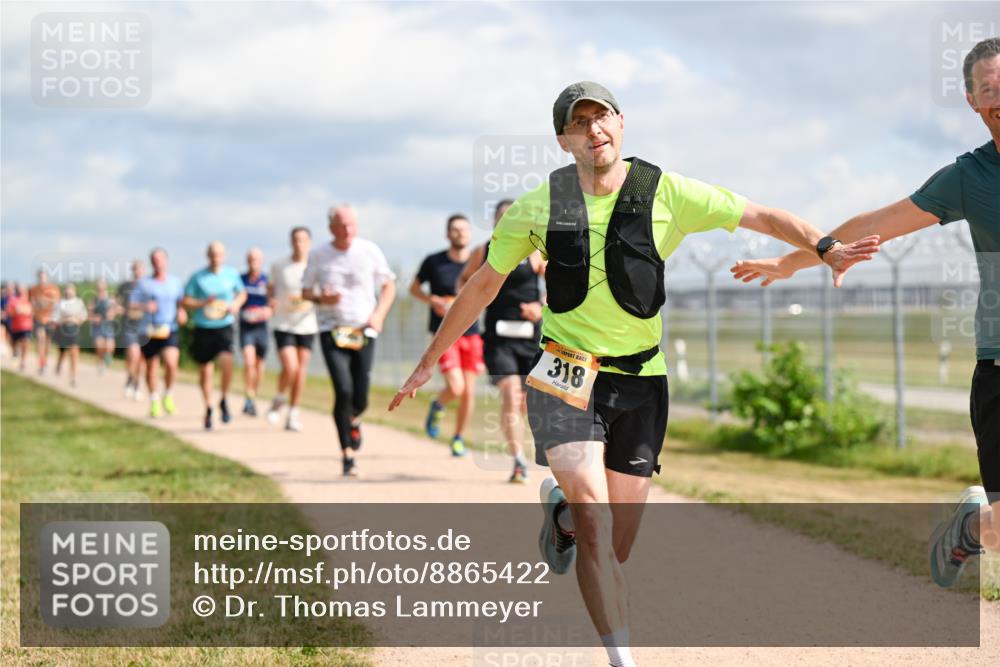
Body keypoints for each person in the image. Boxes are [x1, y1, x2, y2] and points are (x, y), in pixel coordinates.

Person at [390, 81, 877, 667]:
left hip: (642, 380)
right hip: (564, 375)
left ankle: (562, 515)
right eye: (579, 123)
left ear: (621, 123)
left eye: (601, 117)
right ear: (563, 139)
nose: (593, 130)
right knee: (597, 526)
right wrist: (429, 359)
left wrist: (825, 246)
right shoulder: (539, 206)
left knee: (615, 543)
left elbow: (763, 215)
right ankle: (620, 656)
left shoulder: (666, 191)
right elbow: (482, 285)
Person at [731, 37, 1000, 589]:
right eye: (989, 89)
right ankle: (971, 527)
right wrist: (793, 260)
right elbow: (874, 224)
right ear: (972, 101)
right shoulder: (970, 177)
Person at [303, 204, 396, 477]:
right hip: (332, 329)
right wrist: (322, 298)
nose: (347, 230)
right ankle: (347, 455)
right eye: (342, 226)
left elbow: (389, 285)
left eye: (352, 225)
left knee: (360, 396)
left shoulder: (369, 250)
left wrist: (379, 315)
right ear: (331, 228)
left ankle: (354, 419)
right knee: (343, 389)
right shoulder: (319, 255)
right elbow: (306, 292)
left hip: (364, 329)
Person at [458, 199, 545, 482]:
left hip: (530, 338)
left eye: (512, 217)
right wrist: (472, 307)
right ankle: (518, 460)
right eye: (502, 217)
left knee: (528, 403)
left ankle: (526, 447)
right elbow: (464, 283)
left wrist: (541, 306)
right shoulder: (483, 251)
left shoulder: (535, 250)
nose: (507, 222)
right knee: (510, 392)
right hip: (498, 339)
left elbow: (561, 284)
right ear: (495, 222)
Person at [410, 214, 485, 457]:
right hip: (444, 334)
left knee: (469, 392)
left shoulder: (479, 261)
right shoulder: (434, 262)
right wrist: (432, 300)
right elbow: (413, 288)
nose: (460, 233)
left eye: (464, 229)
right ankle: (438, 403)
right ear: (447, 234)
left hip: (472, 333)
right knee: (456, 386)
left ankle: (458, 439)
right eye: (455, 229)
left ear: (470, 233)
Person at [182, 241, 247, 430]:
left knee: (227, 362)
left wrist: (235, 305)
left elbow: (242, 294)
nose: (215, 257)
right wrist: (202, 303)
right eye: (212, 254)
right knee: (205, 370)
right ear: (207, 255)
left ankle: (224, 399)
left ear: (224, 255)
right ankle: (208, 407)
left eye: (219, 254)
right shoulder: (198, 277)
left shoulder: (231, 274)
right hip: (204, 326)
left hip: (224, 325)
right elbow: (186, 300)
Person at [267, 226, 319, 432]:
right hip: (283, 323)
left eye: (303, 240)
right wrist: (271, 300)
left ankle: (293, 413)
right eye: (296, 240)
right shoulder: (279, 265)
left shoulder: (315, 266)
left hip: (307, 323)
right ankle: (280, 398)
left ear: (309, 243)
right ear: (291, 242)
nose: (299, 244)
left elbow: (320, 291)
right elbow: (270, 288)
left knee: (301, 371)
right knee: (291, 367)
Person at [134, 248, 186, 418]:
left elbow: (181, 302)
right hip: (148, 330)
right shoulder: (143, 283)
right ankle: (154, 400)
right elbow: (132, 304)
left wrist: (182, 311)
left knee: (171, 363)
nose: (157, 262)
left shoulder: (175, 282)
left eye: (160, 259)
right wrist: (145, 306)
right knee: (151, 367)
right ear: (151, 262)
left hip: (169, 328)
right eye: (154, 259)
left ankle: (168, 395)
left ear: (166, 260)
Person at [239, 248, 271, 417]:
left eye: (256, 259)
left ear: (261, 261)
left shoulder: (267, 280)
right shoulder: (241, 280)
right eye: (251, 259)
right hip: (246, 327)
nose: (254, 263)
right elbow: (235, 298)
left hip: (261, 328)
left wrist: (267, 310)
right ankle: (248, 397)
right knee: (249, 361)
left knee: (259, 366)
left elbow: (273, 302)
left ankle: (254, 395)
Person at [118, 260, 147, 399]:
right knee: (133, 353)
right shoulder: (125, 286)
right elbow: (118, 302)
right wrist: (118, 309)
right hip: (129, 325)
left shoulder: (149, 286)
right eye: (135, 269)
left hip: (145, 326)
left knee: (141, 358)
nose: (137, 272)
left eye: (140, 269)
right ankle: (131, 378)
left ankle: (136, 383)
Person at [53, 282, 87, 387]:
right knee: (62, 352)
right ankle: (59, 364)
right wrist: (66, 319)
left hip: (74, 330)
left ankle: (73, 376)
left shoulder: (79, 302)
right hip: (63, 330)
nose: (69, 292)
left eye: (71, 290)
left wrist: (77, 320)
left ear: (74, 291)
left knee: (74, 353)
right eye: (67, 290)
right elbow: (55, 319)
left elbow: (84, 316)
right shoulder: (60, 303)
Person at [28, 270, 60, 375]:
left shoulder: (53, 288)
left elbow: (57, 303)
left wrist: (46, 301)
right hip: (38, 318)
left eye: (44, 277)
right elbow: (31, 302)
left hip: (49, 319)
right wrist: (36, 304)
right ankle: (41, 363)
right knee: (40, 339)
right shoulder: (33, 289)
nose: (42, 279)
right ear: (38, 278)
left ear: (47, 278)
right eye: (40, 277)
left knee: (47, 342)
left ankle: (45, 362)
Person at [89, 279, 117, 375]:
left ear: (105, 286)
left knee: (110, 346)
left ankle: (107, 359)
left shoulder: (111, 298)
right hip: (97, 327)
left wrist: (112, 313)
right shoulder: (93, 300)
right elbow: (89, 315)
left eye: (102, 284)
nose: (100, 287)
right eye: (99, 285)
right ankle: (101, 363)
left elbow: (115, 309)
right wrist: (94, 318)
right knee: (99, 345)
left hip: (108, 326)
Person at [5, 283, 33, 371]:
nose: (21, 291)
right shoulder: (13, 300)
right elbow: (9, 312)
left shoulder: (29, 300)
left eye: (23, 289)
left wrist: (23, 310)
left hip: (26, 326)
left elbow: (32, 311)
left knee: (25, 342)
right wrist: (16, 311)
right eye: (19, 289)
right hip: (15, 326)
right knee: (13, 343)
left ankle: (23, 362)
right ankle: (15, 353)